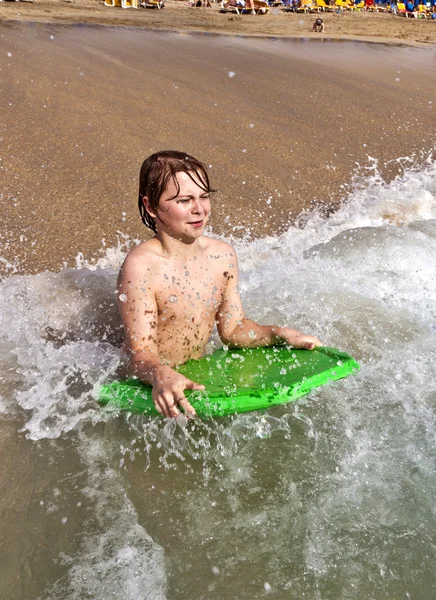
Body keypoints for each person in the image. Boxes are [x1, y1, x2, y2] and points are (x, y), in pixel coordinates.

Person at [117, 151, 322, 418]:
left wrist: (278, 334)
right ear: (152, 206)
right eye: (184, 200)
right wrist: (158, 373)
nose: (199, 209)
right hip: (148, 387)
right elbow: (140, 355)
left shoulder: (221, 256)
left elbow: (233, 329)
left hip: (194, 375)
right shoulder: (142, 267)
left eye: (203, 197)